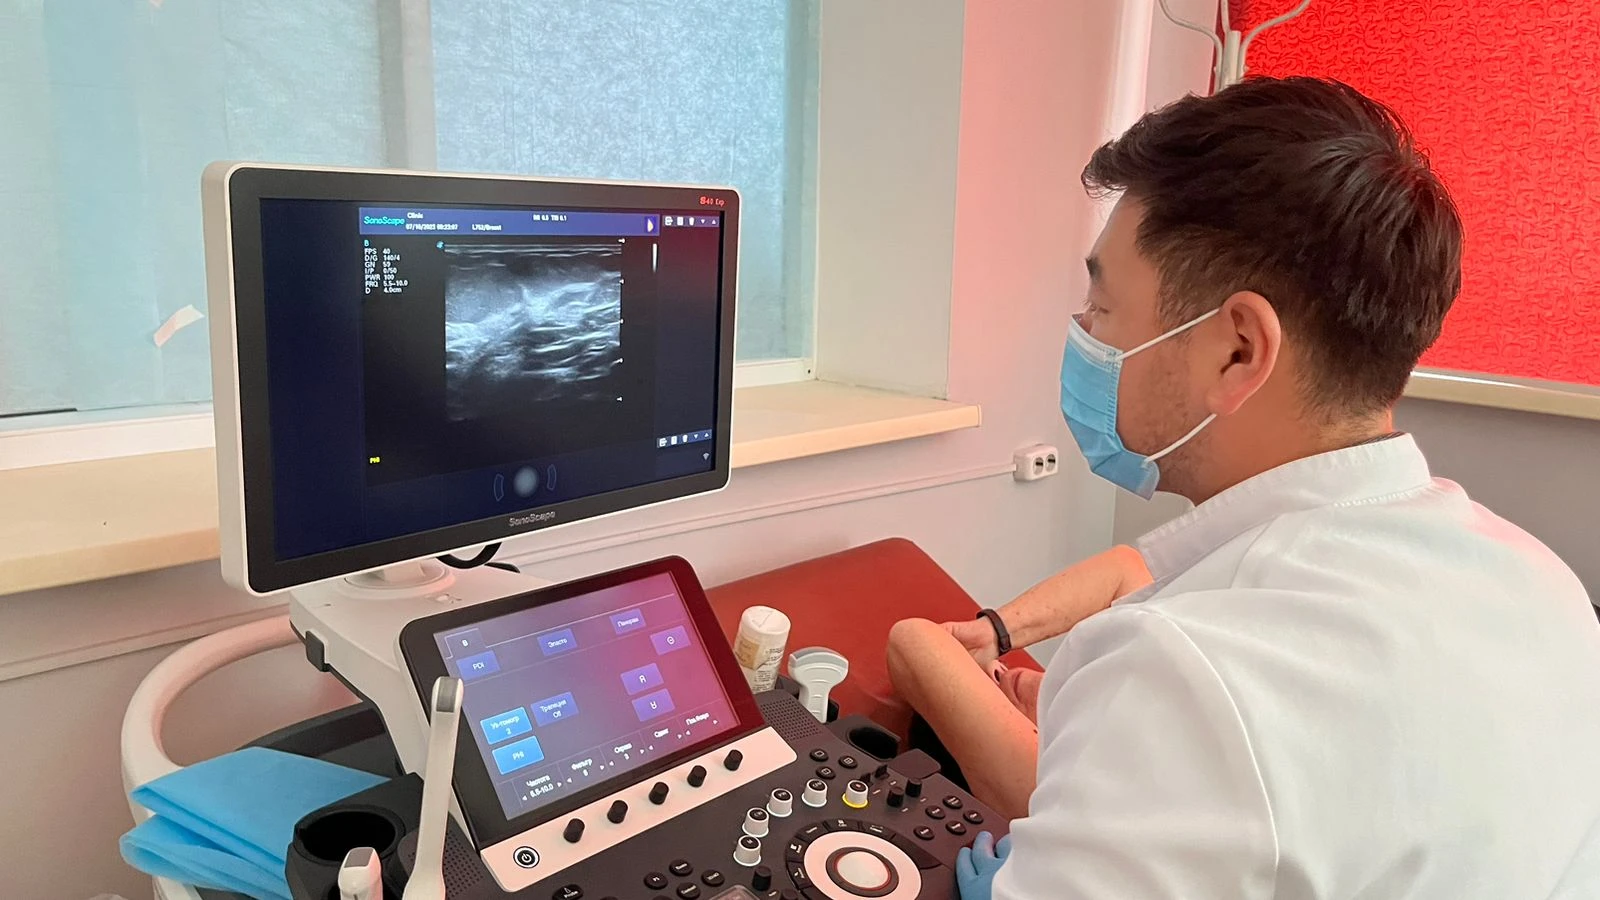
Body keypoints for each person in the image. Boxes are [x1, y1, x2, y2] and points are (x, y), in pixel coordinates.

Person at [890, 76, 1600, 898]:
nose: (1084, 336)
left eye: (1102, 306)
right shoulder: (1541, 581)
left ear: (1238, 350)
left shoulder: (1182, 674)